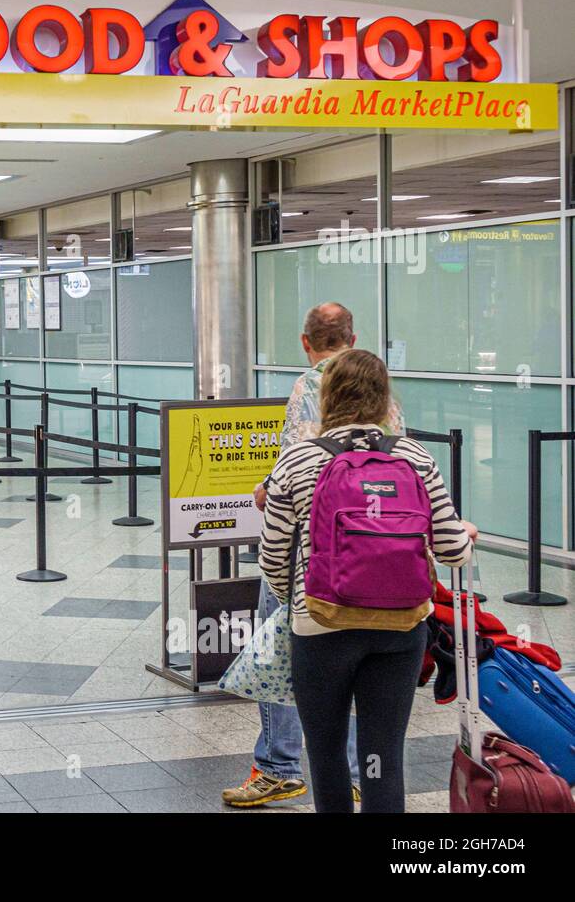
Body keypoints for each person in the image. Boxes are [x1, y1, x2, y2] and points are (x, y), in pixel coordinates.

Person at [259, 349, 474, 813]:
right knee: (382, 757)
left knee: (328, 754)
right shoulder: (415, 457)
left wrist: (298, 601)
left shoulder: (296, 461)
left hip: (320, 627)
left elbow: (273, 558)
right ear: (384, 398)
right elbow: (454, 549)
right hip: (399, 631)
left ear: (328, 395)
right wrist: (463, 535)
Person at [223, 302, 405, 809]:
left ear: (306, 342)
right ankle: (353, 773)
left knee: (280, 639)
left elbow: (298, 464)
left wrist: (267, 491)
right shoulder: (383, 389)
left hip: (317, 553)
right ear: (355, 335)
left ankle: (280, 765)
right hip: (380, 555)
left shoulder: (310, 385)